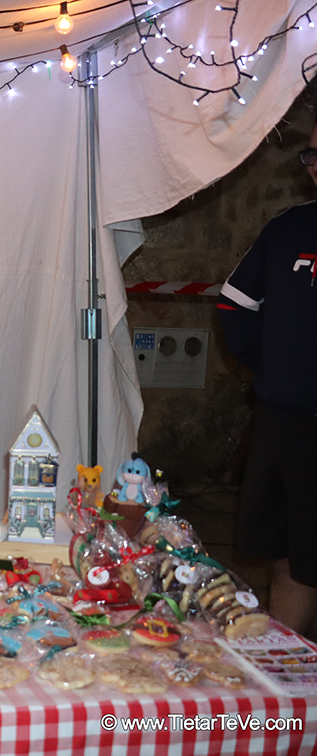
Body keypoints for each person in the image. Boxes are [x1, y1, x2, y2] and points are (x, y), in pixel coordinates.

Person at [217, 123, 317, 635]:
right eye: (312, 155)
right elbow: (235, 303)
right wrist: (271, 365)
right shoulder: (289, 228)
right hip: (284, 420)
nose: (316, 166)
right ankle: (286, 667)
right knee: (289, 556)